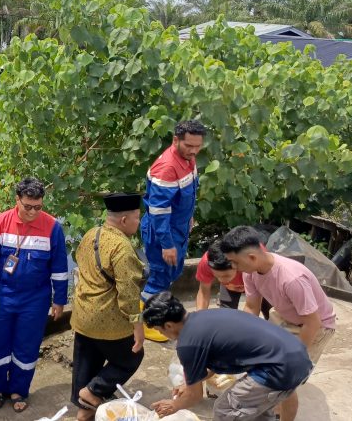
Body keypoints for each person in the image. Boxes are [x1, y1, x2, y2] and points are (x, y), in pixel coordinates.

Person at [220, 226, 337, 421]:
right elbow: (251, 307)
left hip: (317, 326)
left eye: (234, 262)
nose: (233, 267)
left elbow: (313, 322)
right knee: (264, 362)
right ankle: (274, 403)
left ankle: (282, 412)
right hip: (284, 316)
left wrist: (294, 357)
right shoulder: (251, 271)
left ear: (251, 257)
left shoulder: (291, 278)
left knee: (285, 376)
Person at [144, 292, 312, 421]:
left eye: (159, 330)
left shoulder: (187, 343)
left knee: (226, 410)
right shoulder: (204, 317)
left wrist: (174, 404)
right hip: (297, 356)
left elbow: (195, 396)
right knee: (254, 409)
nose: (160, 333)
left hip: (278, 368)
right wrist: (190, 383)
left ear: (168, 325)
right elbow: (211, 367)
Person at [0, 177, 69, 414]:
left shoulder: (52, 227)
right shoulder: (0, 222)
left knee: (27, 346)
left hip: (35, 299)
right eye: (28, 206)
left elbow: (60, 268)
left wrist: (59, 300)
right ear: (17, 200)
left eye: (38, 207)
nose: (32, 212)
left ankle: (19, 390)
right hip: (3, 295)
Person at [70, 193, 146, 421]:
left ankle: (84, 411)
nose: (139, 222)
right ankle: (93, 391)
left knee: (87, 362)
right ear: (124, 220)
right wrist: (138, 326)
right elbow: (129, 294)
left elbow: (80, 262)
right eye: (137, 218)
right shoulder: (122, 247)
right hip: (107, 319)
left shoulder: (91, 234)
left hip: (83, 315)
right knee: (131, 357)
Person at [140, 120, 206, 342]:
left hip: (178, 228)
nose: (194, 150)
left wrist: (188, 217)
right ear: (175, 140)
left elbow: (186, 195)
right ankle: (147, 322)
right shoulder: (168, 168)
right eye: (189, 145)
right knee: (160, 275)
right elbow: (158, 212)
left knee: (170, 273)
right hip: (163, 233)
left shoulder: (188, 159)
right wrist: (167, 244)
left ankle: (157, 311)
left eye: (198, 146)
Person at [195, 241, 271, 317]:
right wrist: (200, 319)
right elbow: (203, 293)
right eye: (218, 276)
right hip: (230, 288)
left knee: (269, 313)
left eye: (226, 276)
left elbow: (252, 308)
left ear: (236, 264)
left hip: (259, 284)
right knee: (226, 316)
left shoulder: (254, 260)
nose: (222, 280)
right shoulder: (206, 262)